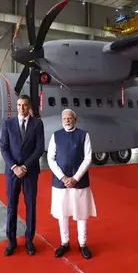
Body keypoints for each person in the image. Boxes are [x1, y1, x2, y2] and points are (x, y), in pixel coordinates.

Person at [47, 108, 97, 259]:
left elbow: (88, 158)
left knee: (81, 214)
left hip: (79, 182)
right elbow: (50, 158)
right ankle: (64, 243)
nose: (67, 120)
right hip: (60, 182)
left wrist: (75, 178)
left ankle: (83, 244)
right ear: (62, 120)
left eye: (70, 118)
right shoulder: (55, 136)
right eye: (64, 118)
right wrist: (63, 177)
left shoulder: (84, 135)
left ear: (75, 120)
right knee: (62, 214)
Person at [0, 94, 45, 256]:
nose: (21, 108)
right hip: (12, 172)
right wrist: (14, 167)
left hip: (30, 171)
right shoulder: (8, 124)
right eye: (19, 105)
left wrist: (25, 166)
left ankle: (29, 240)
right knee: (12, 207)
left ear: (29, 107)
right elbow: (4, 148)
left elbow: (39, 148)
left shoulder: (37, 124)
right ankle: (11, 241)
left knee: (30, 206)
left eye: (24, 105)